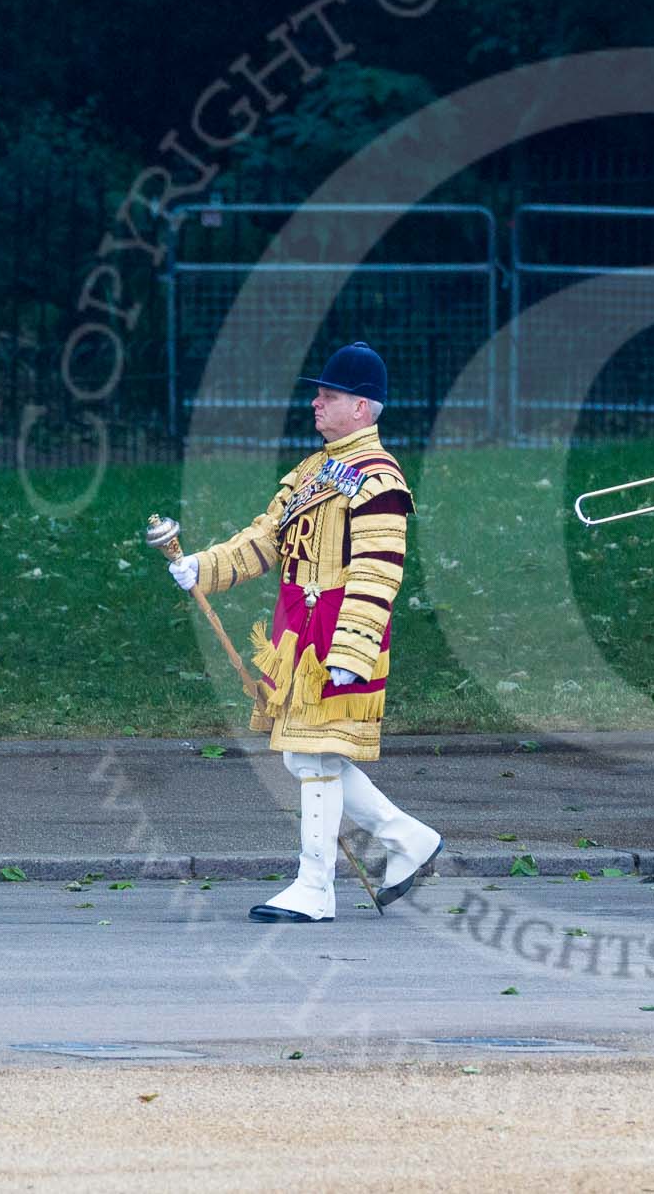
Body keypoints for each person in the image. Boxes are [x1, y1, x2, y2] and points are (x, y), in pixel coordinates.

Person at [167, 341, 442, 924]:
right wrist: (205, 568)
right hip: (297, 636)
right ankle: (408, 839)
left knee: (315, 756)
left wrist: (354, 651)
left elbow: (378, 571)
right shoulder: (313, 469)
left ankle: (315, 887)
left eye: (330, 395)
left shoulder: (380, 479)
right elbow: (267, 537)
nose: (316, 403)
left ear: (363, 408)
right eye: (319, 393)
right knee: (303, 757)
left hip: (338, 637)